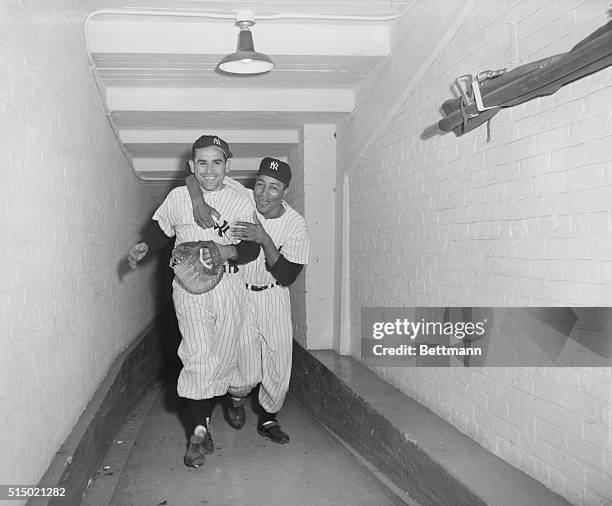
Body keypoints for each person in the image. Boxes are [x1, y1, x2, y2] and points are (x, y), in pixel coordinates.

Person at [128, 134, 260, 468]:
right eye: (202, 162)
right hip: (189, 286)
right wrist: (146, 246)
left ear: (227, 166)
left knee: (225, 359)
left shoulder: (241, 199)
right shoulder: (177, 197)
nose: (209, 170)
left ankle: (220, 408)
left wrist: (224, 250)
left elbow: (251, 247)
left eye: (217, 162)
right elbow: (162, 230)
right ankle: (198, 431)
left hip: (229, 283)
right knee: (198, 354)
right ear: (192, 165)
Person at [186, 157, 309, 444]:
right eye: (261, 184)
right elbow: (194, 177)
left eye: (274, 188)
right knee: (245, 372)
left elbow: (289, 275)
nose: (265, 193)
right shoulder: (242, 199)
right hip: (240, 292)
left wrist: (265, 239)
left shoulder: (295, 224)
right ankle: (237, 399)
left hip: (274, 294)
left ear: (285, 191)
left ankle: (268, 418)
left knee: (279, 364)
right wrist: (197, 202)